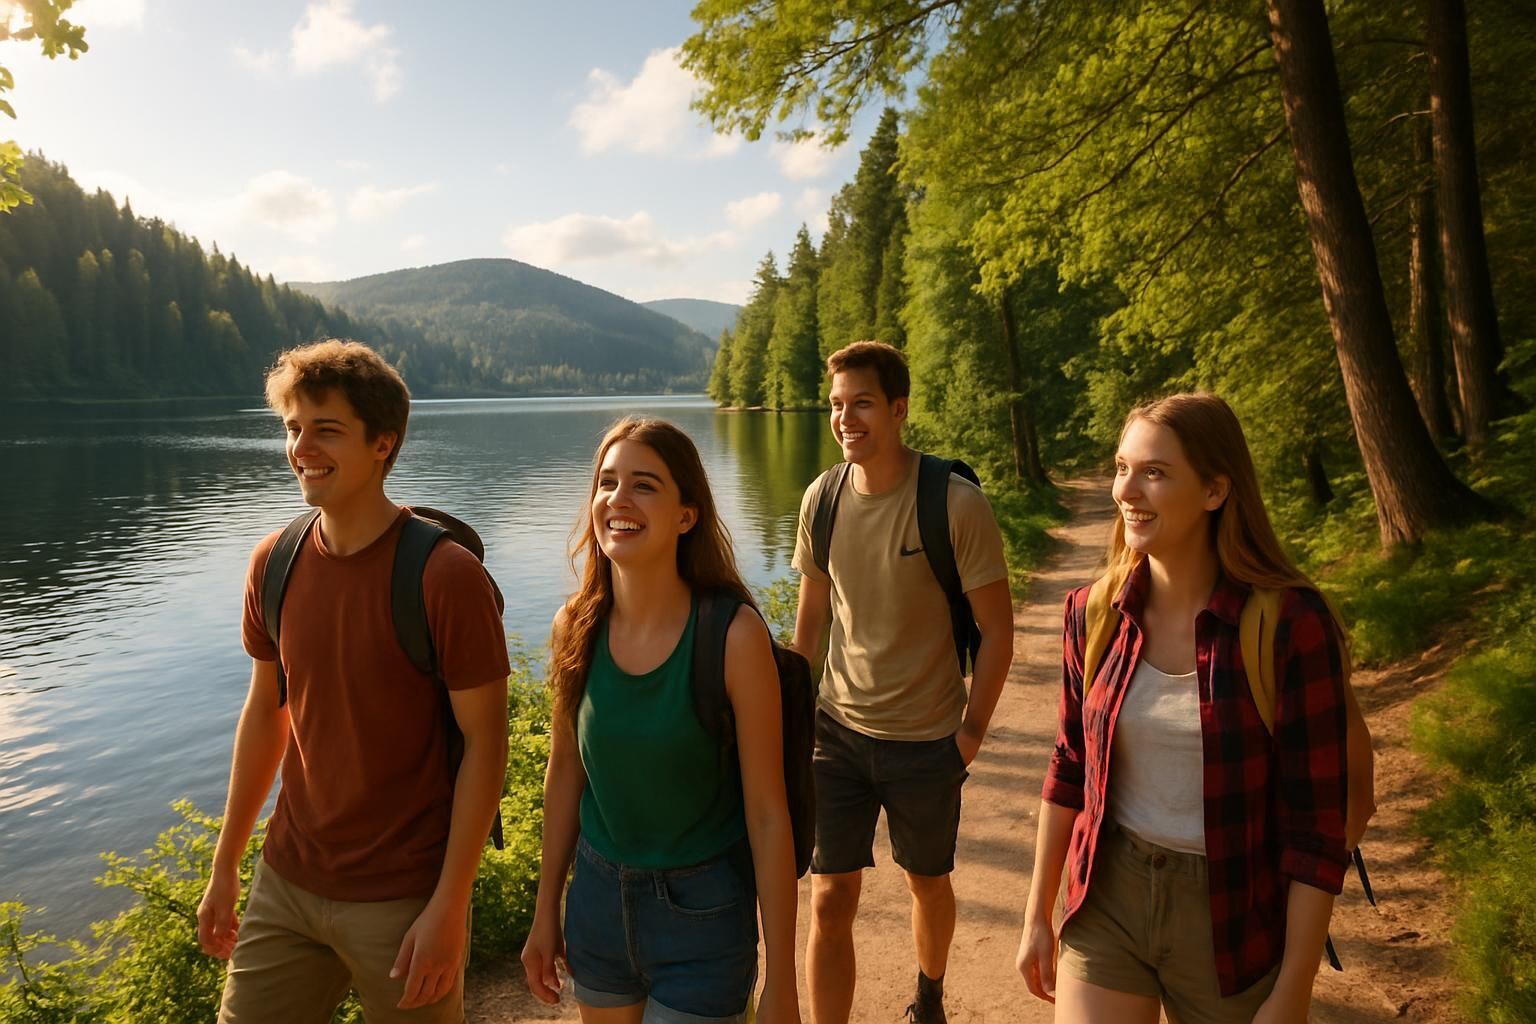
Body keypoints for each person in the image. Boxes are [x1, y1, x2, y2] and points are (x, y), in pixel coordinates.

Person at [197, 340, 511, 1023]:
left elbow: (486, 745)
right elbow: (265, 714)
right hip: (286, 881)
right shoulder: (273, 564)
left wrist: (450, 908)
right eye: (293, 428)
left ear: (382, 444)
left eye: (326, 430)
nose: (302, 447)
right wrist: (227, 864)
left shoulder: (445, 577)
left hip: (403, 900)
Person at [1016, 392, 1354, 1023]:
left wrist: (1293, 988)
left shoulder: (1289, 625)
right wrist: (1037, 914)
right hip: (1108, 898)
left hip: (1231, 917)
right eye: (1122, 467)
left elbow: (1317, 829)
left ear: (1215, 491)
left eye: (1154, 472)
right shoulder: (1092, 613)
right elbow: (1069, 766)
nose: (1126, 491)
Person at [520, 416, 801, 1024]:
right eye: (607, 482)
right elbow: (565, 773)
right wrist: (546, 913)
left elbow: (767, 813)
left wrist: (783, 978)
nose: (618, 500)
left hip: (703, 917)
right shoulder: (576, 625)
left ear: (686, 515)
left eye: (644, 485)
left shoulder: (732, 635)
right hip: (596, 904)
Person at [790, 341, 1015, 1024]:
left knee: (927, 881)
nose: (845, 418)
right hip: (837, 732)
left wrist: (970, 732)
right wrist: (794, 723)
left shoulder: (953, 503)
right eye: (836, 405)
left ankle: (930, 996)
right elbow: (810, 624)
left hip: (927, 739)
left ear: (898, 408)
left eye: (861, 403)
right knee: (829, 896)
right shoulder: (822, 499)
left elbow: (999, 630)